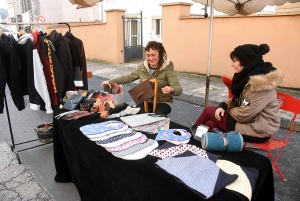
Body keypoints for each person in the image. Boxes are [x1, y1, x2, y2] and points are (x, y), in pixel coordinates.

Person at [193, 43, 283, 142]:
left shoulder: (258, 86)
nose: (232, 64)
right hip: (251, 122)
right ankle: (201, 141)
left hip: (258, 130)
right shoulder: (248, 78)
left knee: (209, 110)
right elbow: (240, 101)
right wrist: (223, 106)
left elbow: (243, 115)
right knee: (210, 124)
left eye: (235, 61)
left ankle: (191, 136)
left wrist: (227, 111)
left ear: (246, 63)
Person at [101, 41, 182, 115]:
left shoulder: (167, 67)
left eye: (153, 55)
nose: (150, 58)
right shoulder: (143, 67)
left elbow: (178, 89)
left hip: (163, 101)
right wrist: (110, 81)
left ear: (160, 54)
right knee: (137, 115)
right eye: (148, 55)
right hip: (145, 100)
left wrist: (171, 89)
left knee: (157, 118)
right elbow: (128, 77)